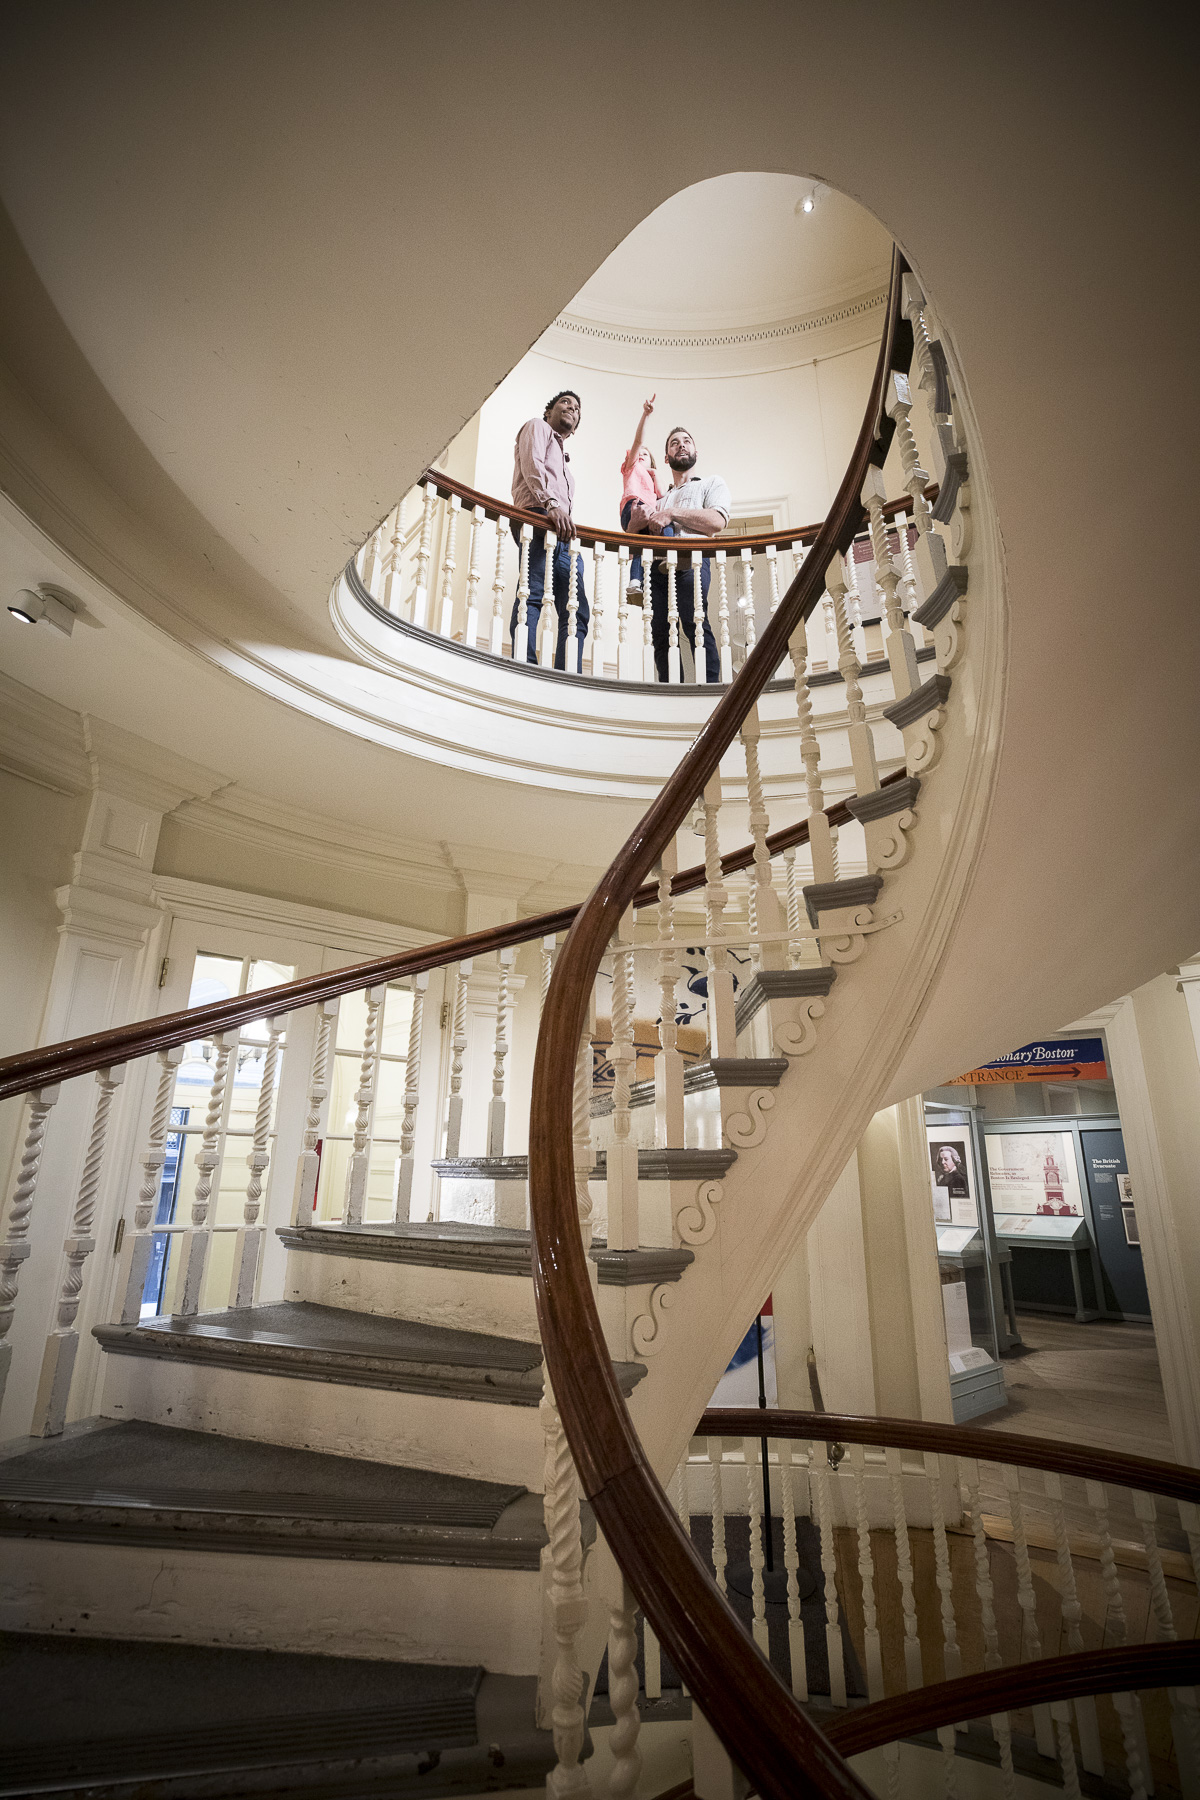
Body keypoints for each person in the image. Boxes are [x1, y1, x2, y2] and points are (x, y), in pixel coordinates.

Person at [626, 426, 729, 682]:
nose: (681, 445)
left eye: (686, 441)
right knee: (659, 633)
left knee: (695, 623)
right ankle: (670, 689)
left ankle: (709, 688)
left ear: (696, 451)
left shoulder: (711, 483)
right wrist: (633, 526)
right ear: (665, 457)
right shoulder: (656, 498)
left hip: (691, 563)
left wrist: (672, 513)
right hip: (655, 569)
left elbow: (717, 521)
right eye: (674, 443)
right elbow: (631, 547)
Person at [509, 390, 590, 669]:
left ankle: (569, 672)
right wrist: (551, 503)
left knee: (576, 607)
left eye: (576, 408)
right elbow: (532, 463)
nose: (572, 408)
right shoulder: (538, 426)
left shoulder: (566, 464)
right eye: (565, 403)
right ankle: (525, 665)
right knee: (532, 592)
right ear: (549, 412)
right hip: (538, 517)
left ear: (575, 428)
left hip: (563, 532)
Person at [619, 394, 663, 594]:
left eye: (647, 454)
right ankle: (638, 578)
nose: (642, 455)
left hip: (650, 512)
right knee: (641, 545)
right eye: (640, 454)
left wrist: (655, 473)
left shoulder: (653, 478)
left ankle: (636, 581)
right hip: (634, 506)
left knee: (643, 547)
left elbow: (662, 494)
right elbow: (638, 441)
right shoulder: (632, 467)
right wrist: (645, 415)